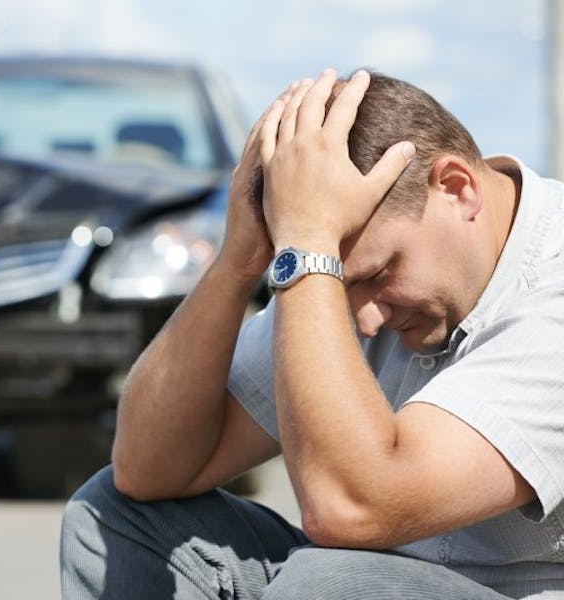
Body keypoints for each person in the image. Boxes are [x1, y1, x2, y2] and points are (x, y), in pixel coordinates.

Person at [59, 69, 564, 599]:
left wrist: (310, 249)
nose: (365, 321)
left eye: (376, 275)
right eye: (338, 286)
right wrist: (237, 262)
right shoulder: (329, 268)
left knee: (327, 583)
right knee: (112, 518)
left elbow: (350, 509)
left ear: (457, 190)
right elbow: (148, 469)